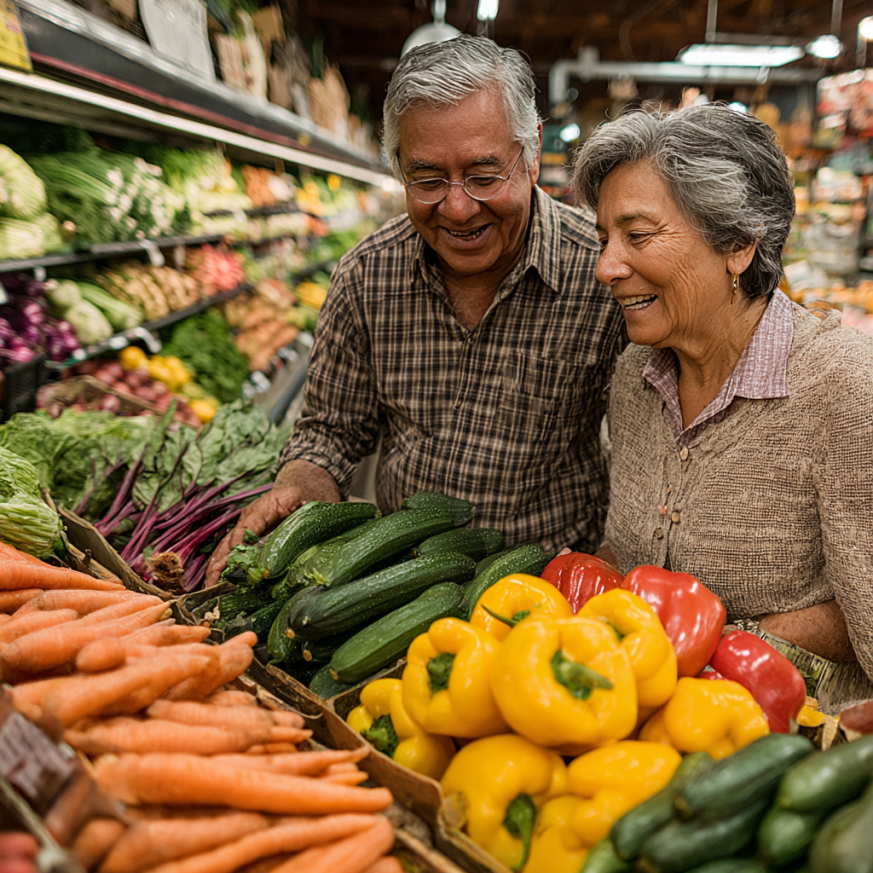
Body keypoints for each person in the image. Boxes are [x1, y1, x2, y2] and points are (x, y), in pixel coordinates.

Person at [206, 35, 625, 586]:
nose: (456, 207)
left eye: (483, 175)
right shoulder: (366, 276)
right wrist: (296, 491)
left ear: (530, 157)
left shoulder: (605, 276)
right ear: (398, 168)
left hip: (551, 590)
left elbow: (646, 450)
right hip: (399, 589)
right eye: (426, 179)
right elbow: (332, 432)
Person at [572, 103, 873, 706]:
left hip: (791, 753)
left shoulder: (842, 387)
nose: (606, 265)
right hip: (643, 724)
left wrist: (714, 649)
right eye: (605, 237)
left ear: (737, 244)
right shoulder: (636, 375)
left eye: (637, 235)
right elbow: (629, 550)